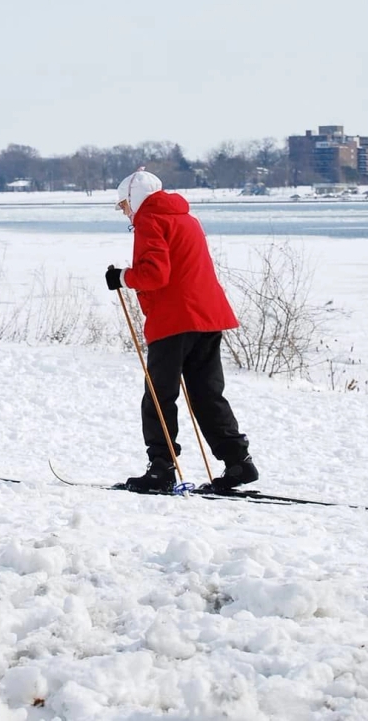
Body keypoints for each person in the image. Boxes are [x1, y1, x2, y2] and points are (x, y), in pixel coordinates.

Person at [105, 168, 258, 494]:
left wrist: (122, 277)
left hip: (174, 320)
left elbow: (154, 275)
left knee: (159, 397)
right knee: (206, 394)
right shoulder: (187, 218)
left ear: (135, 197)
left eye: (123, 204)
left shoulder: (149, 219)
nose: (124, 212)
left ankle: (161, 469)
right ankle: (238, 461)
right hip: (208, 316)